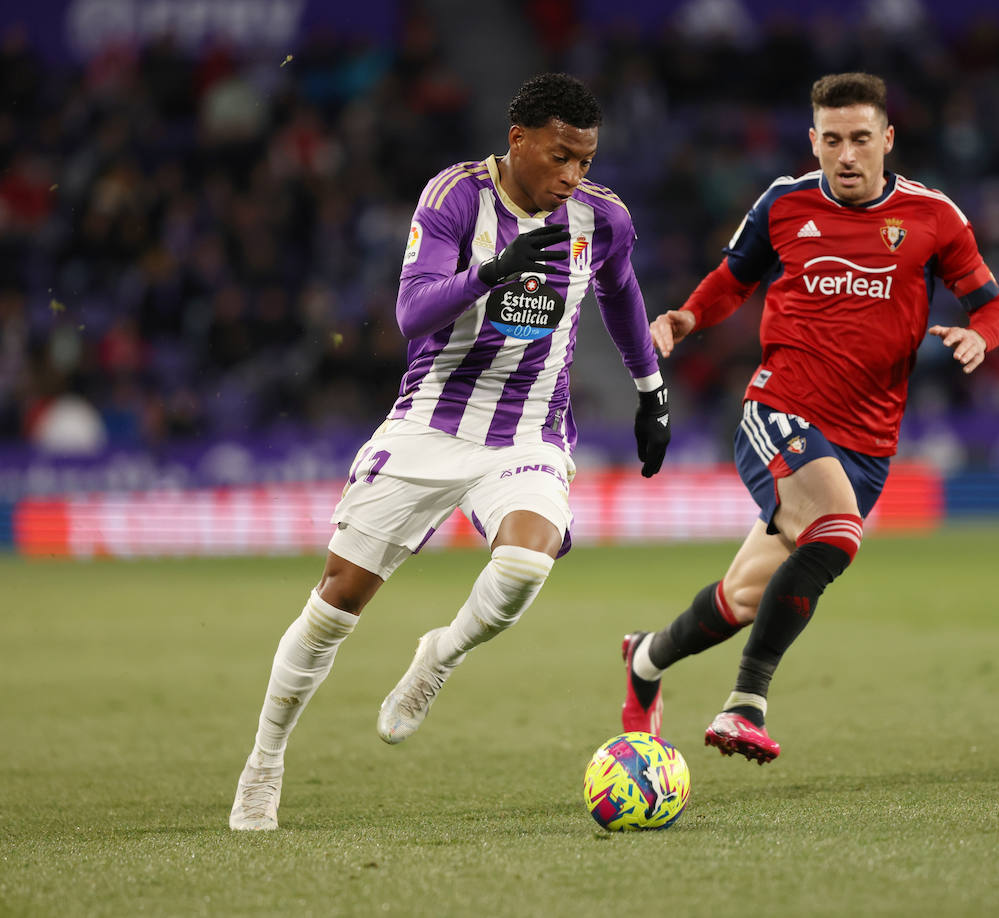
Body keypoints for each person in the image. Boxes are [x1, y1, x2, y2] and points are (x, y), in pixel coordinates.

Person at [230, 73, 671, 830]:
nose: (573, 176)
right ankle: (263, 764)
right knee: (337, 603)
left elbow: (622, 293)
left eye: (586, 163)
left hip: (528, 431)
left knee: (528, 560)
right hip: (430, 425)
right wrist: (491, 272)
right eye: (561, 157)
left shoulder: (601, 220)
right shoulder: (455, 197)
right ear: (519, 140)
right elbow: (410, 314)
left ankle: (440, 655)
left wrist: (651, 390)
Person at [619, 73, 999, 763]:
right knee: (836, 531)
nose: (847, 156)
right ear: (814, 142)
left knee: (743, 597)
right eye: (832, 141)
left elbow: (992, 303)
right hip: (780, 408)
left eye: (861, 139)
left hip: (868, 444)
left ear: (887, 139)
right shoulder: (783, 203)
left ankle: (646, 660)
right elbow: (730, 281)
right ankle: (746, 703)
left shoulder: (933, 217)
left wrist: (982, 334)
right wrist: (684, 317)